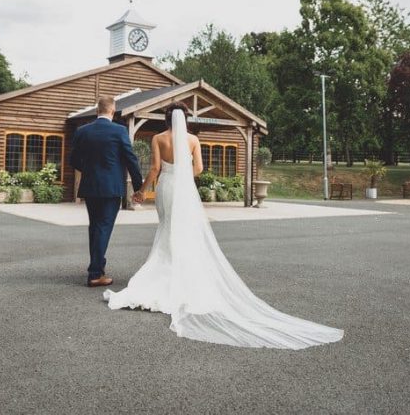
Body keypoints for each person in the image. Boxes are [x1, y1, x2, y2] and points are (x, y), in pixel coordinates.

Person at [104, 102, 344, 349]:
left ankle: (163, 278)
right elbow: (198, 168)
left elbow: (154, 168)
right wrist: (183, 171)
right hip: (184, 189)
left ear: (166, 120)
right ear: (185, 119)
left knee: (166, 228)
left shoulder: (158, 138)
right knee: (184, 232)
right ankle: (185, 279)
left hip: (166, 187)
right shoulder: (193, 140)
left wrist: (143, 191)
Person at [69, 96, 144, 287]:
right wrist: (138, 187)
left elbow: (73, 160)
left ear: (97, 111)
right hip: (111, 188)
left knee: (95, 227)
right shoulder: (119, 131)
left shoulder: (82, 131)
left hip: (90, 186)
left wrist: (89, 171)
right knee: (103, 227)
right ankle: (95, 274)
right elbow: (130, 159)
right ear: (113, 110)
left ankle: (98, 267)